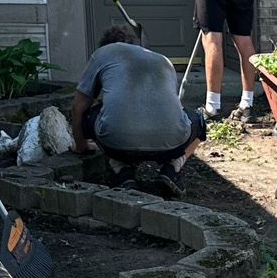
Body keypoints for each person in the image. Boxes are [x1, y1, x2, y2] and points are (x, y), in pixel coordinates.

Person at [71, 26, 206, 199]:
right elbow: (171, 107)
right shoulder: (163, 60)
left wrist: (81, 146)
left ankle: (123, 172)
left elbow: (77, 107)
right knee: (199, 121)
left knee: (96, 114)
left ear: (106, 44)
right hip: (171, 144)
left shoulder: (102, 53)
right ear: (136, 45)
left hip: (117, 144)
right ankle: (171, 169)